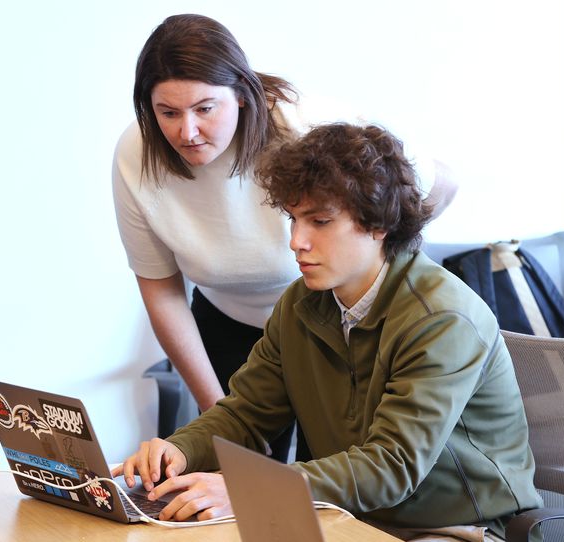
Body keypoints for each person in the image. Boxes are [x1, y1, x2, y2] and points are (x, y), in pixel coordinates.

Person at [114, 122, 541, 540]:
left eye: (319, 221)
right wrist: (180, 449)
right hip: (346, 519)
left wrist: (250, 491)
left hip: (457, 526)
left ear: (378, 224)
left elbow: (391, 466)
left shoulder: (441, 319)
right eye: (294, 219)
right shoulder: (300, 304)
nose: (296, 241)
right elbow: (246, 413)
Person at [112, 13, 459, 463]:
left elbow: (440, 184)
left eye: (204, 109)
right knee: (234, 472)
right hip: (230, 325)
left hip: (333, 325)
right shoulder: (137, 154)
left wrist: (378, 257)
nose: (187, 131)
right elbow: (161, 289)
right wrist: (219, 415)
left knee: (334, 476)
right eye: (168, 113)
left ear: (240, 93)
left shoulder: (306, 123)